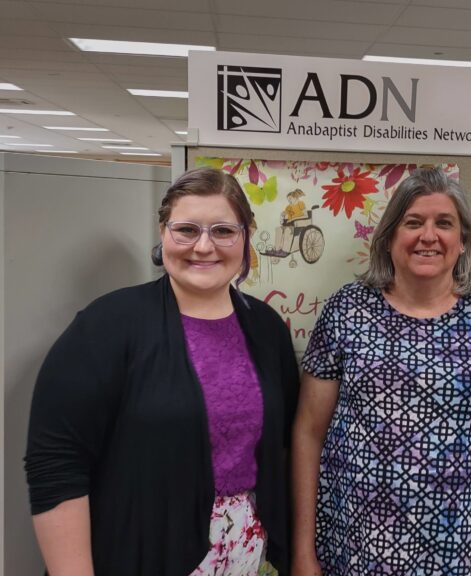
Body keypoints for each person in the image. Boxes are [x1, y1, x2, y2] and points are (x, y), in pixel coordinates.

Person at [25, 167, 299, 576]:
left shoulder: (265, 327)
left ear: (245, 237)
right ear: (162, 232)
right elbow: (56, 463)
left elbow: (282, 446)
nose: (203, 247)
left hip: (244, 552)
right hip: (138, 550)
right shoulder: (108, 324)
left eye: (223, 231)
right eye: (186, 229)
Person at [292, 168, 471, 575]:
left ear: (462, 242)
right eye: (413, 222)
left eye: (444, 224)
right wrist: (304, 552)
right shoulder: (347, 310)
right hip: (357, 544)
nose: (429, 236)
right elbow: (308, 431)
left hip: (464, 550)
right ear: (389, 237)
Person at [275, 188, 308, 255]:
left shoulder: (300, 204)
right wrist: (282, 215)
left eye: (290, 199)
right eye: (288, 199)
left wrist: (294, 218)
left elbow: (306, 215)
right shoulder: (288, 207)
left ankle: (285, 250)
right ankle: (277, 249)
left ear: (295, 197)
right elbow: (286, 215)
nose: (289, 200)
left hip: (298, 223)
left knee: (287, 230)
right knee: (278, 229)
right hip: (289, 223)